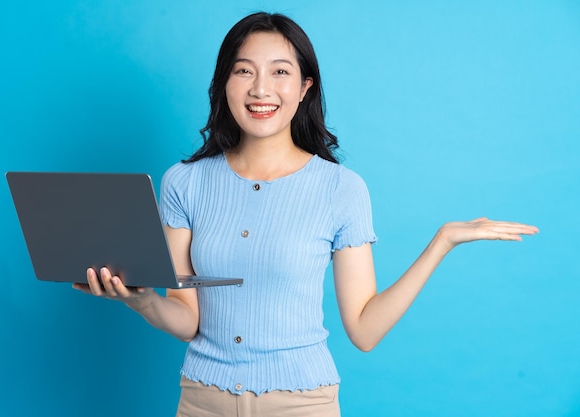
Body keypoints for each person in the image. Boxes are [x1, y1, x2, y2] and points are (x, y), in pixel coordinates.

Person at [73, 12, 538, 417]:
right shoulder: (184, 182)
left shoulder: (341, 189)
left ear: (303, 88)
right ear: (223, 84)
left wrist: (442, 241)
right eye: (243, 71)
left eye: (280, 72)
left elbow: (365, 328)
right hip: (201, 401)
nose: (261, 89)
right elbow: (186, 317)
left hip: (302, 404)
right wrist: (140, 300)